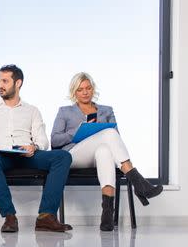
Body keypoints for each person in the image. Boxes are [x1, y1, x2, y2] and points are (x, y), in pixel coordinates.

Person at [51, 72, 163, 231]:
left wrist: (98, 133)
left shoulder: (106, 110)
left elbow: (117, 139)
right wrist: (76, 132)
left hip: (98, 154)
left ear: (93, 89)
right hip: (74, 155)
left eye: (88, 88)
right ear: (74, 92)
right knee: (109, 134)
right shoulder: (65, 111)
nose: (85, 92)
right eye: (80, 89)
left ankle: (107, 216)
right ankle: (138, 183)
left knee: (105, 150)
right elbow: (55, 141)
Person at [0, 64, 73, 233]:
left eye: (5, 81)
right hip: (1, 156)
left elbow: (43, 140)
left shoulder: (32, 110)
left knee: (62, 156)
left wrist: (33, 146)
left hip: (27, 155)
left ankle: (46, 217)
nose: (0, 85)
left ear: (18, 83)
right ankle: (9, 216)